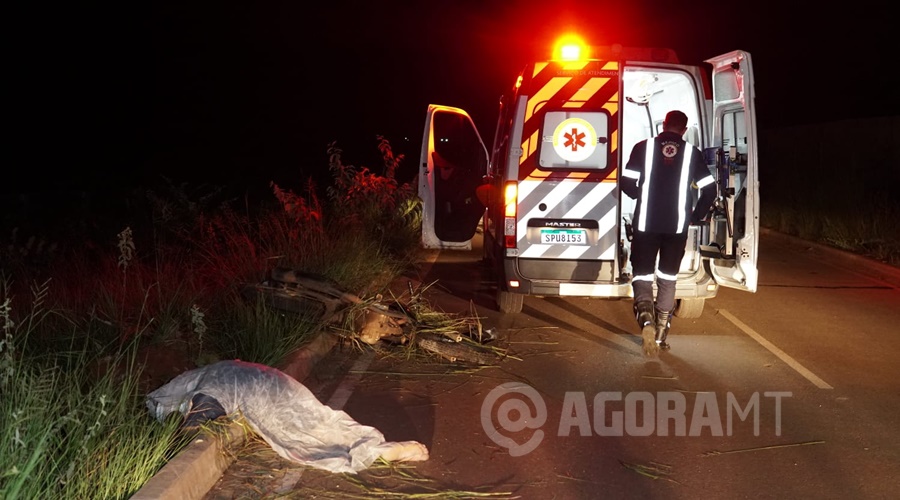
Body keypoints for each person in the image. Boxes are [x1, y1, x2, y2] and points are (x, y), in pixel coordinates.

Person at [621, 110, 716, 356]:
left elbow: (627, 182)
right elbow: (709, 189)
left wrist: (641, 196)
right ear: (683, 130)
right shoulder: (692, 154)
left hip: (646, 224)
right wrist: (695, 215)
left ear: (664, 125)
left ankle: (646, 319)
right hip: (677, 226)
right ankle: (661, 334)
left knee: (642, 274)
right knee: (667, 277)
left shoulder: (643, 147)